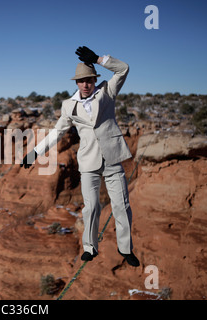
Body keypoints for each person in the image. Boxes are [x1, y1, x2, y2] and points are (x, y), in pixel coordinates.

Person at [21, 46, 139, 267]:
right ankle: (90, 248)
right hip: (89, 161)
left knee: (121, 206)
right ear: (76, 83)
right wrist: (35, 152)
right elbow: (57, 132)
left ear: (95, 80)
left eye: (89, 80)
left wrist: (98, 59)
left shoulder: (107, 92)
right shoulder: (69, 106)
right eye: (81, 81)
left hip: (112, 158)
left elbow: (123, 69)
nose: (85, 84)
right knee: (91, 207)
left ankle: (125, 249)